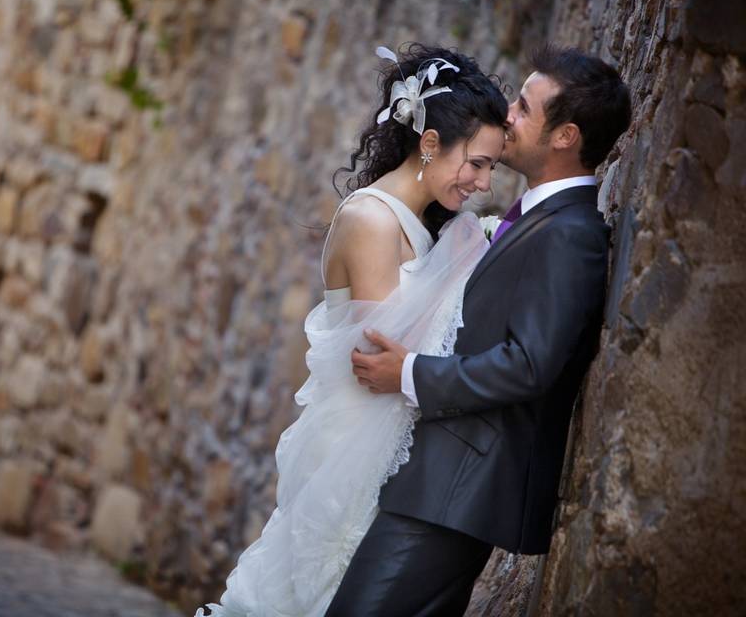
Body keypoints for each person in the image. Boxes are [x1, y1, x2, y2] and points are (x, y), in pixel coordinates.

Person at [196, 44, 508, 617]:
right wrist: (473, 255)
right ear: (430, 142)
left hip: (385, 446)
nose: (484, 183)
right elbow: (382, 358)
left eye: (493, 167)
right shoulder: (371, 220)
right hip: (353, 452)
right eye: (479, 162)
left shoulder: (419, 224)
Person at [334, 45, 632, 616]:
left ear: (565, 135)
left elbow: (530, 364)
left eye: (523, 106)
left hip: (459, 486)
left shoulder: (570, 233)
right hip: (436, 481)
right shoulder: (536, 220)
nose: (508, 115)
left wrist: (411, 372)